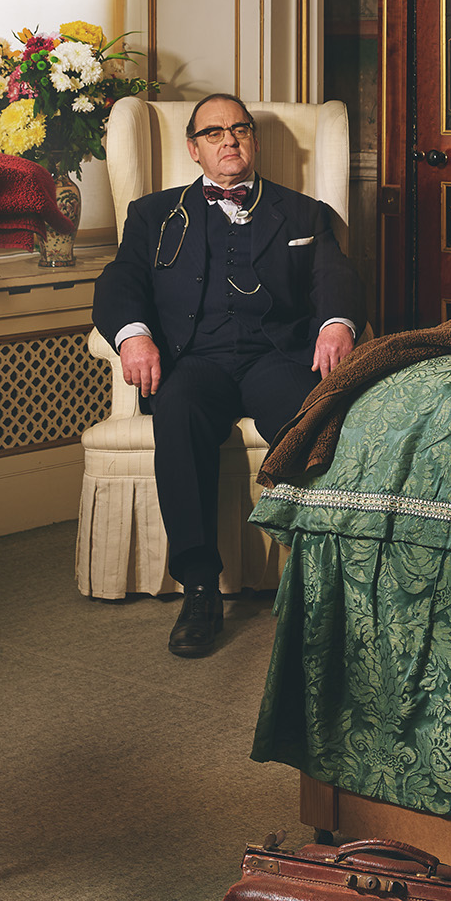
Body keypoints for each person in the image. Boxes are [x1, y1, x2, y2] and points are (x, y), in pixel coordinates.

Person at [96, 96, 360, 658]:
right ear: (194, 149)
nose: (228, 141)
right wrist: (134, 335)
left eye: (238, 130)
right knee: (179, 409)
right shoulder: (152, 214)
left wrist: (337, 325)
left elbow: (333, 278)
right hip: (195, 361)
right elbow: (119, 285)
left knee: (314, 417)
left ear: (254, 141)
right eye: (213, 133)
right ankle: (199, 588)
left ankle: (313, 575)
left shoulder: (303, 213)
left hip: (277, 359)